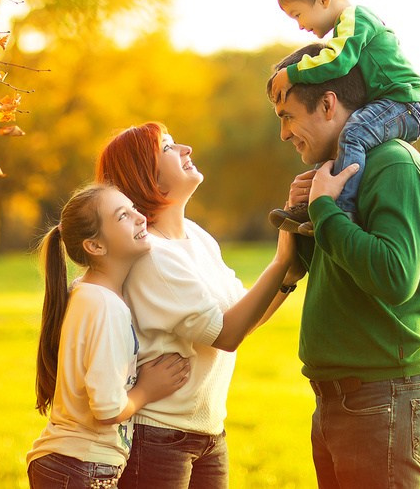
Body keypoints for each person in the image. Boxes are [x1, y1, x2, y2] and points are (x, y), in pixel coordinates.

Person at [268, 43, 420, 488]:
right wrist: (304, 215)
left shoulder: (393, 165)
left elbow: (394, 275)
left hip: (381, 397)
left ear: (328, 104)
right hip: (337, 400)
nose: (284, 134)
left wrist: (326, 210)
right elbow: (333, 268)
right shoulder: (340, 171)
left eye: (288, 116)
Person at [96, 123, 305, 489]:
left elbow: (241, 316)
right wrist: (280, 259)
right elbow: (226, 335)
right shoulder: (151, 256)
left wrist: (287, 279)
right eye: (168, 147)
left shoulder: (197, 236)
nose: (186, 149)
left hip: (208, 434)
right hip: (158, 437)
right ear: (148, 178)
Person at [27, 184, 192, 489]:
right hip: (81, 467)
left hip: (69, 464)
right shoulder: (105, 306)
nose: (139, 217)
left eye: (132, 208)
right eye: (122, 216)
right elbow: (106, 408)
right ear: (96, 246)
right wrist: (147, 390)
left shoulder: (86, 293)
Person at [270, 0, 420, 235]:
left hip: (404, 104)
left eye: (298, 14)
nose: (300, 25)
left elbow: (338, 61)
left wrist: (291, 74)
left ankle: (342, 208)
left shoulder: (356, 19)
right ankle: (311, 203)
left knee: (353, 133)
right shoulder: (348, 26)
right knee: (337, 144)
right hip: (388, 103)